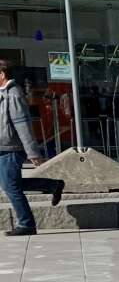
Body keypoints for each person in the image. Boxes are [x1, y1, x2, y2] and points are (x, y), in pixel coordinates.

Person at [0, 58, 65, 237]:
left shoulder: (13, 94)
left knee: (11, 187)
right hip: (4, 147)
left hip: (11, 148)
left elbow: (23, 124)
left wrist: (32, 152)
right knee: (11, 184)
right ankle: (53, 185)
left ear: (2, 75)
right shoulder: (3, 93)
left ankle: (26, 224)